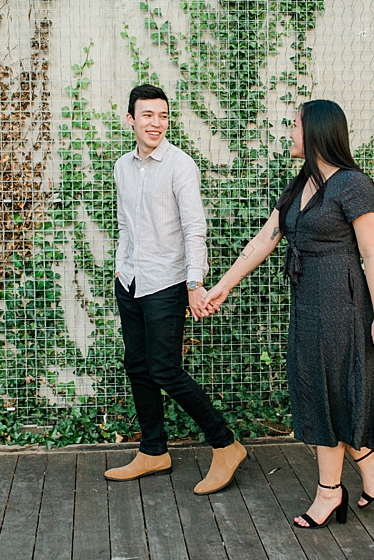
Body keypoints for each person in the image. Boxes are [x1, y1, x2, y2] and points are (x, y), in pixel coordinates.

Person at [202, 99, 374, 527]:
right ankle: (368, 460)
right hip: (308, 305)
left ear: (316, 133)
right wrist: (221, 288)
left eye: (294, 125)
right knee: (316, 389)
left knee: (331, 394)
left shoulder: (353, 185)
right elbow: (264, 241)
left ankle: (329, 493)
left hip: (343, 307)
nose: (289, 133)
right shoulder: (302, 184)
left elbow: (372, 254)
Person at [103, 84, 248, 495]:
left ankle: (225, 444)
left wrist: (194, 283)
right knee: (138, 366)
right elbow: (126, 227)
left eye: (163, 115)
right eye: (147, 115)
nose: (156, 123)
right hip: (130, 279)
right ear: (130, 119)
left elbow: (194, 228)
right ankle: (153, 451)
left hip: (167, 282)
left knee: (165, 369)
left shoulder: (181, 166)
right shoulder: (122, 167)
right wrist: (121, 270)